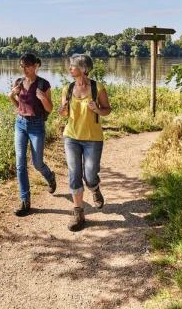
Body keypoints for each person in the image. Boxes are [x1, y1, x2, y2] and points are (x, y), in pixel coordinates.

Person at [58, 54, 111, 231]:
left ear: (83, 68)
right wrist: (62, 111)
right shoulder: (67, 88)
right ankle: (78, 212)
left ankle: (94, 188)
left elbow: (107, 110)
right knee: (74, 173)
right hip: (71, 137)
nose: (69, 68)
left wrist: (97, 109)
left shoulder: (97, 88)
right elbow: (65, 115)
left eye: (72, 66)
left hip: (93, 139)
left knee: (89, 175)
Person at [9, 53, 56, 216]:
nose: (24, 69)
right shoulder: (19, 82)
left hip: (37, 126)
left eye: (27, 66)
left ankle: (50, 176)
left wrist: (43, 98)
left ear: (35, 65)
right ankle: (25, 201)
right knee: (20, 164)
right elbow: (19, 107)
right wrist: (11, 96)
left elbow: (50, 109)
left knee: (37, 163)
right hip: (20, 124)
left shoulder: (43, 84)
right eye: (21, 66)